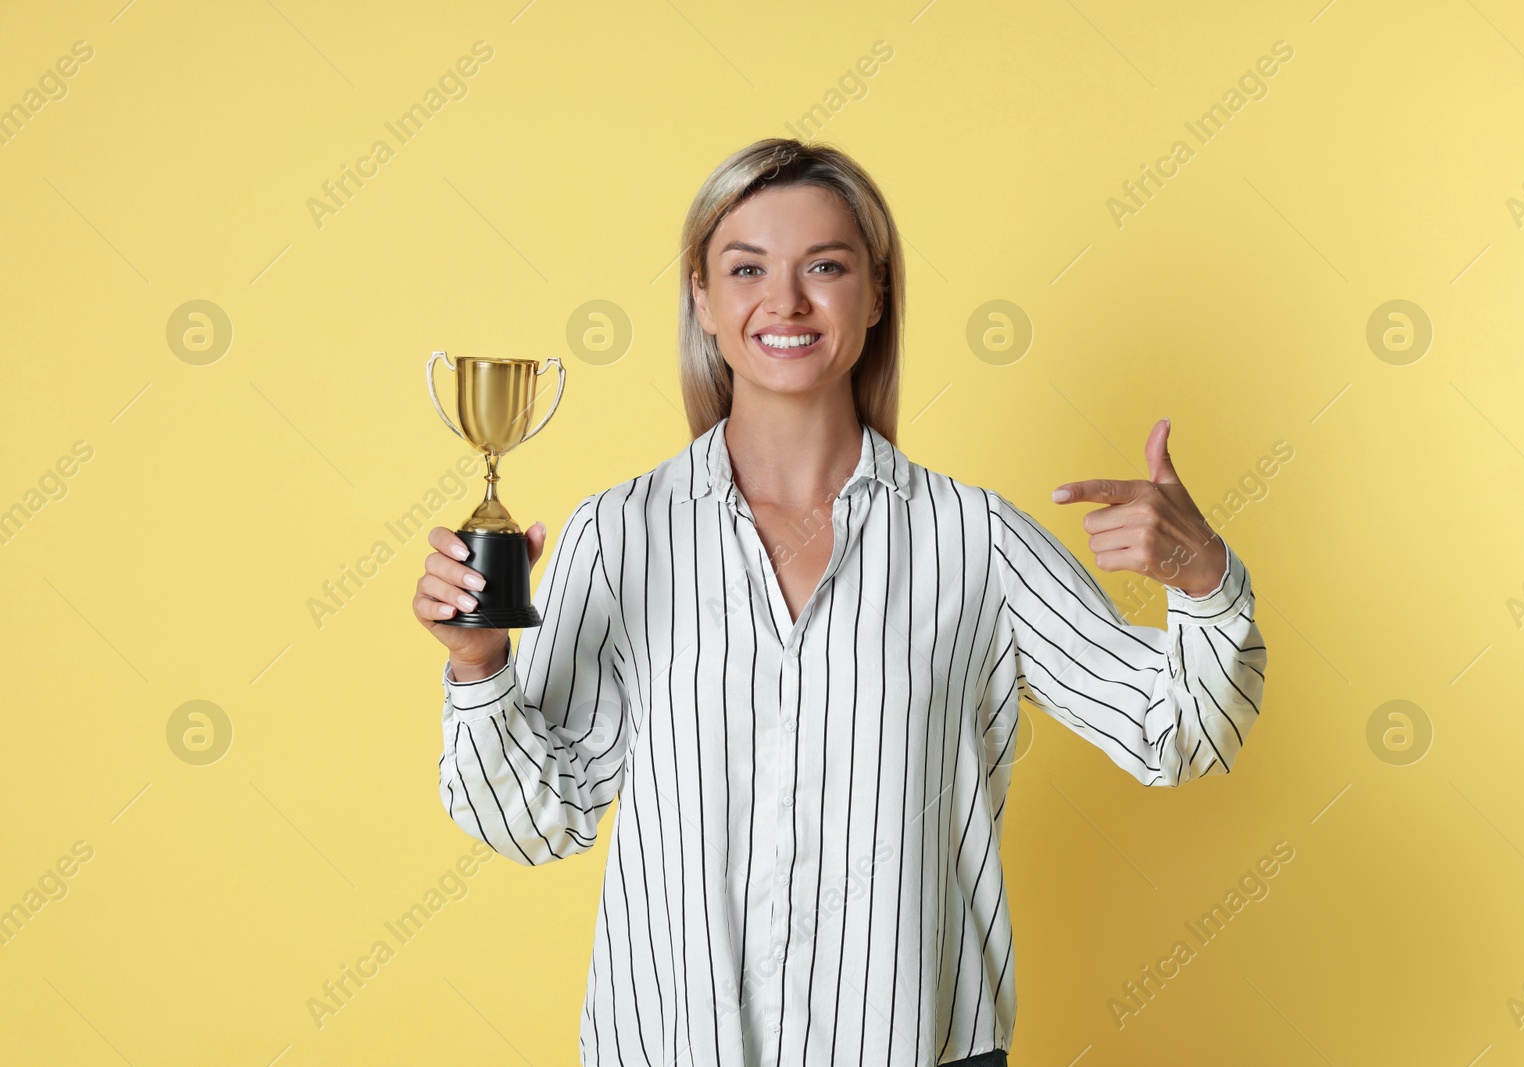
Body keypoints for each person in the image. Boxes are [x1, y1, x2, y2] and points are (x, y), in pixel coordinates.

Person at [415, 138, 1267, 1066]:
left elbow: (1175, 734)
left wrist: (1202, 578)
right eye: (747, 269)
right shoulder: (620, 535)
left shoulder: (974, 543)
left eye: (825, 266)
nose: (785, 302)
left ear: (877, 294)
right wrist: (479, 665)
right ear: (702, 297)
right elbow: (539, 819)